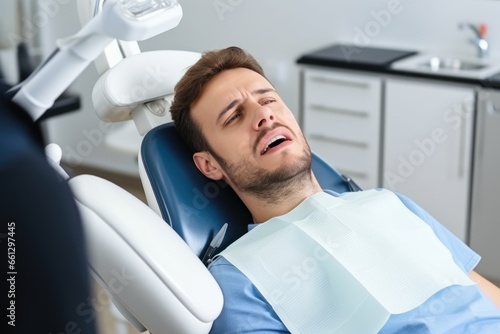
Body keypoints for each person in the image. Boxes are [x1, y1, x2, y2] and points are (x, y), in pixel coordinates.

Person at [169, 46, 500, 333]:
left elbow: (483, 290)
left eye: (268, 99)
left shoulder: (390, 204)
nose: (264, 115)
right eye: (234, 116)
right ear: (209, 165)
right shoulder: (238, 280)